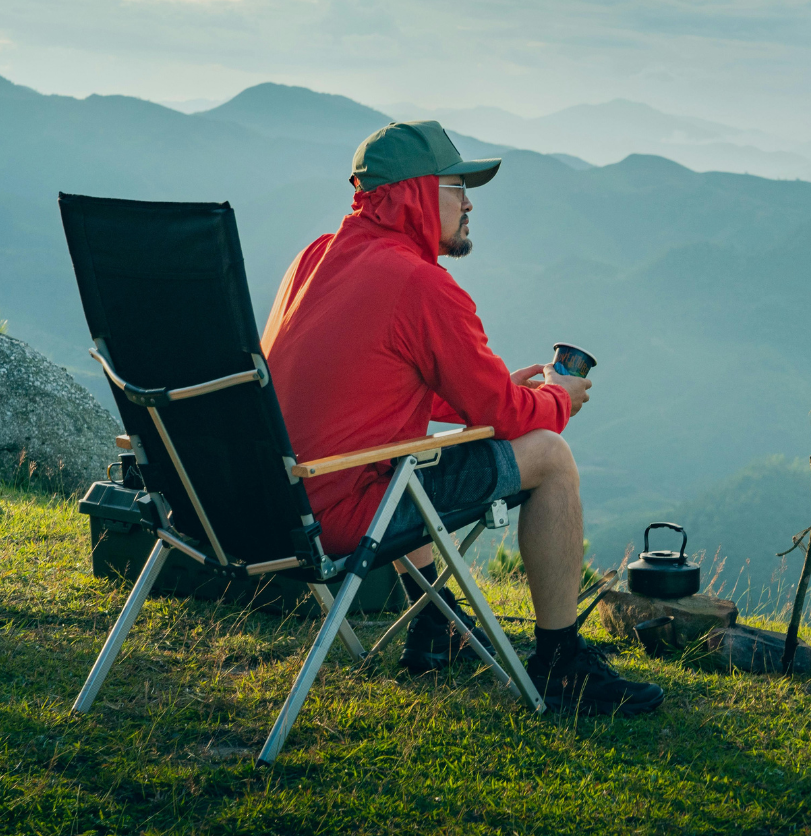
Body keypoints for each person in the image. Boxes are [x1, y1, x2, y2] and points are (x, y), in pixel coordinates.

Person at [261, 120, 663, 715]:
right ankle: (559, 663)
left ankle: (435, 631)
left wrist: (493, 390)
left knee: (407, 451)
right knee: (551, 457)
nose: (470, 202)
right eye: (458, 186)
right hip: (340, 515)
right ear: (416, 191)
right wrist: (557, 401)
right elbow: (504, 416)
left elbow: (369, 376)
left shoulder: (317, 257)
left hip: (267, 508)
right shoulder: (419, 283)